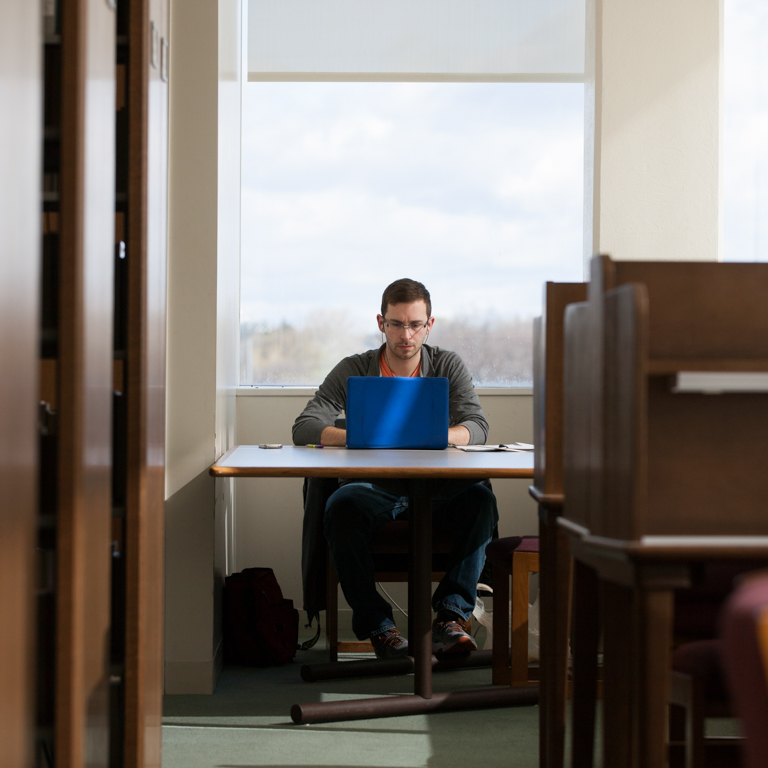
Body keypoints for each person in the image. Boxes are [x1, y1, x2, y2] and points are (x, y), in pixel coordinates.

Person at [292, 278, 498, 659]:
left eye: (415, 324)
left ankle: (451, 619)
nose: (406, 335)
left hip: (435, 490)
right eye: (397, 324)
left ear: (429, 325)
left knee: (481, 502)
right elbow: (304, 426)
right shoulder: (355, 368)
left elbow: (477, 427)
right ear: (381, 323)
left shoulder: (447, 365)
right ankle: (379, 629)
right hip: (374, 489)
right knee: (340, 507)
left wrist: (433, 435)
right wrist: (360, 437)